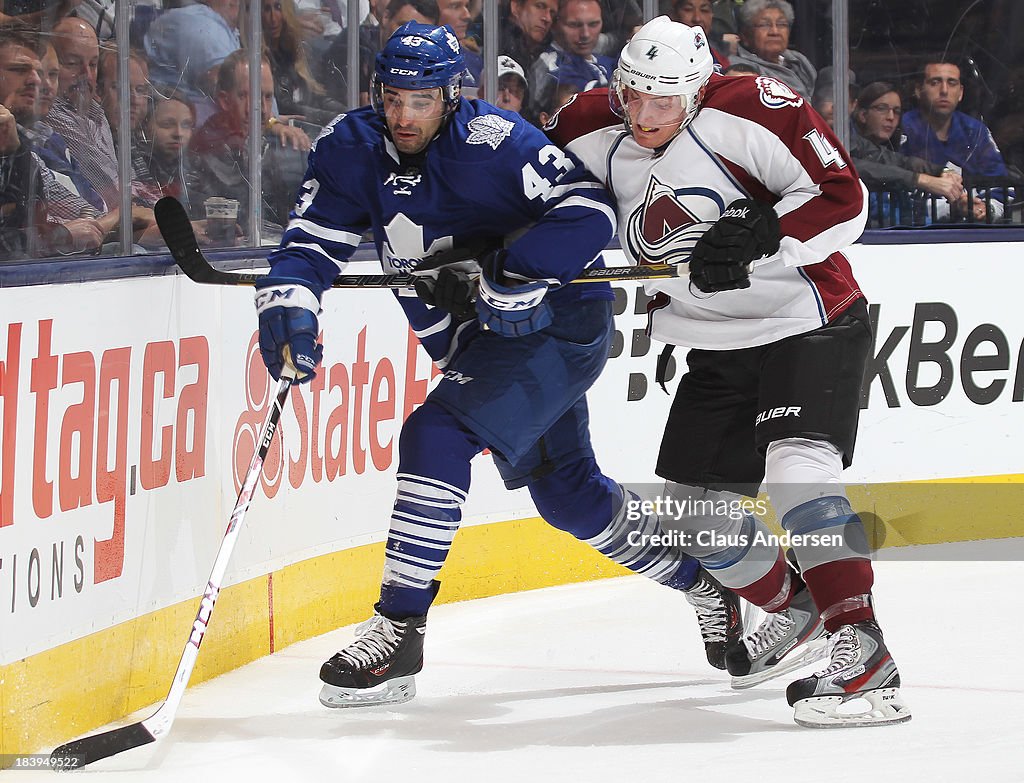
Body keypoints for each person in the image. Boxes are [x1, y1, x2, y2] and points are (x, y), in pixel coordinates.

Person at [253, 21, 743, 708]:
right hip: (471, 342)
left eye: (420, 101)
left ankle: (399, 630)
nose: (402, 116)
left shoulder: (496, 143)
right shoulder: (350, 146)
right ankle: (705, 584)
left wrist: (513, 271)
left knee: (435, 435)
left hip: (553, 327)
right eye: (392, 98)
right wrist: (289, 305)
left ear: (451, 96)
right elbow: (310, 241)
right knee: (568, 496)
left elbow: (587, 210)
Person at [546, 17, 910, 728]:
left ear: (697, 90)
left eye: (663, 102)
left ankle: (865, 655)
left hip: (809, 318)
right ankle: (797, 608)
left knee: (798, 472)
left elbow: (844, 197)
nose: (644, 116)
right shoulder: (587, 123)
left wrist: (769, 230)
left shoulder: (754, 108)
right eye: (634, 96)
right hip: (717, 340)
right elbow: (513, 191)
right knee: (694, 509)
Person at [189, 49, 311, 241]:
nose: (262, 109)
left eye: (268, 97)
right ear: (224, 100)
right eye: (249, 97)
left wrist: (273, 125)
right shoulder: (208, 147)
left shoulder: (273, 143)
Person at [901, 59, 1010, 223]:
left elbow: (1001, 187)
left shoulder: (976, 131)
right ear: (918, 90)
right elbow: (892, 194)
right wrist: (952, 208)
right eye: (935, 82)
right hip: (914, 237)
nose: (944, 90)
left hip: (976, 235)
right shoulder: (902, 128)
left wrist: (986, 209)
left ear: (960, 93)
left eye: (951, 83)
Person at [850, 81, 965, 226]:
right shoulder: (846, 141)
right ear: (862, 115)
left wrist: (943, 172)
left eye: (897, 111)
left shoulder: (897, 151)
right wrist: (921, 180)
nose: (891, 117)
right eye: (882, 109)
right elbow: (858, 168)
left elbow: (896, 161)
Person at [529, 0, 617, 118]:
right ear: (555, 25)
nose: (585, 34)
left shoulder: (604, 60)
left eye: (593, 24)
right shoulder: (550, 69)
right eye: (574, 25)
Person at [729, 0, 815, 99]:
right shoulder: (739, 67)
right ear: (745, 34)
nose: (774, 32)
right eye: (765, 25)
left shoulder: (798, 60)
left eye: (781, 24)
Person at [672, 0, 729, 69]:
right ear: (674, 14)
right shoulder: (663, 56)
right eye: (688, 9)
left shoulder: (721, 60)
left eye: (704, 10)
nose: (697, 18)